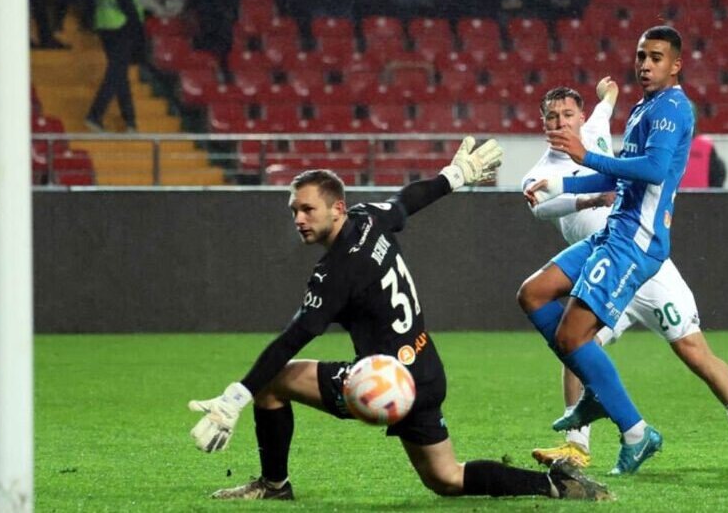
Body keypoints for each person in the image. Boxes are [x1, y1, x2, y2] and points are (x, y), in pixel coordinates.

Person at [188, 142, 613, 502]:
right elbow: (406, 201)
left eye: (307, 209)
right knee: (446, 477)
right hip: (424, 370)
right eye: (294, 210)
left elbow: (291, 339)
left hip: (385, 383)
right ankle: (554, 484)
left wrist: (236, 396)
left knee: (272, 383)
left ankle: (274, 486)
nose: (299, 218)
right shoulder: (366, 219)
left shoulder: (336, 272)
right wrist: (453, 176)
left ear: (336, 208)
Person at [522, 86, 728, 470]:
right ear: (542, 123)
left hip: (642, 266)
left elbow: (606, 110)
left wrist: (608, 93)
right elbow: (542, 208)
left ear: (581, 117)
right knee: (574, 346)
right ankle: (577, 446)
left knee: (693, 351)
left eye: (568, 115)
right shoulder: (539, 173)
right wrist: (589, 199)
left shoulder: (595, 133)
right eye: (552, 117)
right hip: (602, 270)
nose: (561, 123)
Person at [518, 26, 692, 476]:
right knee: (533, 293)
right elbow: (617, 176)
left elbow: (653, 169)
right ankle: (598, 391)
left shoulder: (672, 108)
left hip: (636, 240)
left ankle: (636, 432)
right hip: (614, 233)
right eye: (641, 56)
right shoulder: (643, 108)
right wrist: (559, 182)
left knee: (572, 338)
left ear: (676, 65)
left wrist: (585, 156)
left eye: (656, 57)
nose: (645, 65)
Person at [85, 0, 144, 133]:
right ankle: (95, 114)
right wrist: (136, 26)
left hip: (104, 24)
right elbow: (125, 0)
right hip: (121, 25)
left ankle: (130, 121)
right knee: (116, 74)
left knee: (120, 74)